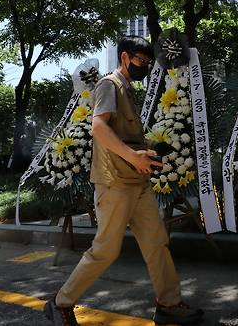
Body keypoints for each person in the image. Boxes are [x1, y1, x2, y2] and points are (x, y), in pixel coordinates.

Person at [44, 36, 203, 325]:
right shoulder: (110, 85)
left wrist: (148, 153)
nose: (144, 66)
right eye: (141, 61)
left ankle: (168, 304)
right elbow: (99, 128)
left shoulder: (127, 89)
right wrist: (134, 156)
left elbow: (122, 136)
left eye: (148, 63)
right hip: (114, 183)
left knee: (157, 242)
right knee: (106, 250)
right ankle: (60, 302)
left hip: (136, 182)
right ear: (125, 57)